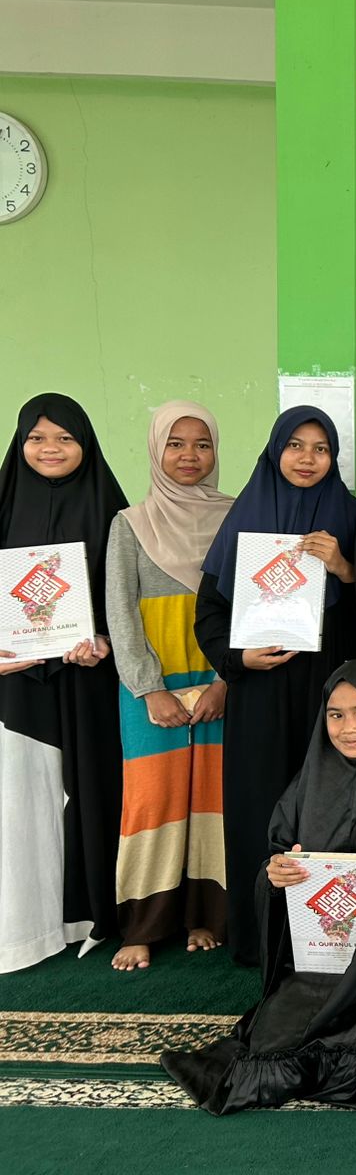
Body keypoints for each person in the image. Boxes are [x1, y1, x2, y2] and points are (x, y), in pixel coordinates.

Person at [161, 660, 356, 1114]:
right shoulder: (308, 782)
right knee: (265, 1059)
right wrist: (276, 876)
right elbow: (277, 859)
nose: (348, 728)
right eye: (336, 715)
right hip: (315, 960)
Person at [194, 407, 356, 965]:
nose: (308, 458)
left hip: (329, 695)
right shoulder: (244, 519)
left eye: (321, 448)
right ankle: (261, 939)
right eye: (295, 445)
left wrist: (343, 567)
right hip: (260, 695)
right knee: (261, 809)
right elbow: (209, 614)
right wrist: (238, 659)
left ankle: (327, 941)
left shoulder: (352, 516)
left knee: (329, 808)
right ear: (274, 451)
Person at [0, 394, 127, 973]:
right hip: (16, 688)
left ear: (86, 444)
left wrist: (105, 641)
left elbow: (128, 597)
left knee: (90, 791)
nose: (50, 449)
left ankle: (91, 916)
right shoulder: (3, 505)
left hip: (88, 681)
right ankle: (29, 925)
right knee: (23, 802)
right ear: (20, 443)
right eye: (37, 438)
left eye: (65, 438)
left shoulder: (112, 510)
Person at [106, 401, 235, 971]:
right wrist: (149, 688)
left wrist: (225, 681)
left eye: (202, 444)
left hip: (218, 679)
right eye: (175, 444)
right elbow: (120, 611)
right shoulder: (130, 523)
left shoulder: (236, 517)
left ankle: (207, 915)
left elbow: (248, 603)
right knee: (152, 801)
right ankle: (143, 924)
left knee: (215, 798)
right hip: (150, 684)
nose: (189, 456)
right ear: (156, 450)